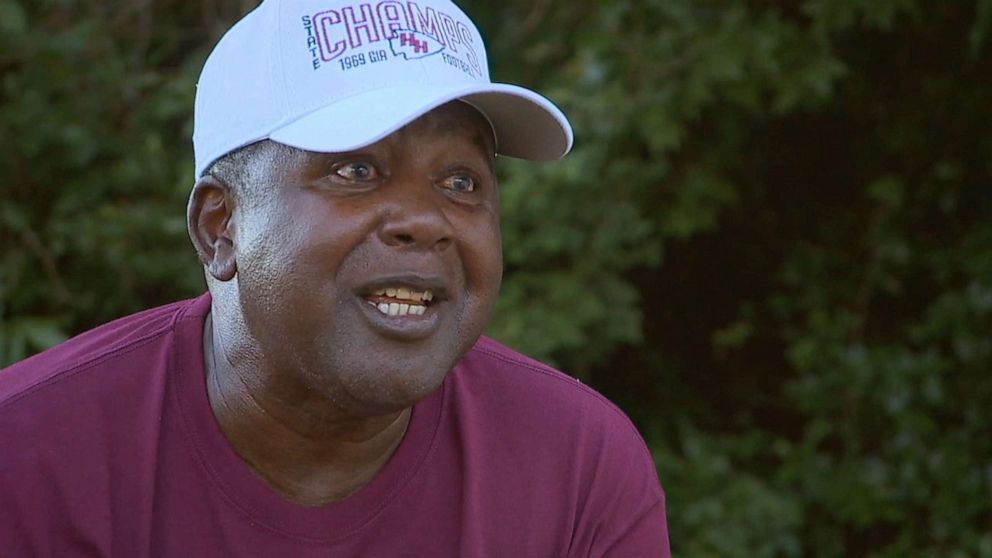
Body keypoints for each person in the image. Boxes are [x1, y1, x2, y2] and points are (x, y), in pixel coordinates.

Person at [0, 0, 671, 555]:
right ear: (220, 227)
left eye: (460, 181)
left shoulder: (577, 467)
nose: (424, 219)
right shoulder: (29, 460)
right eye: (356, 170)